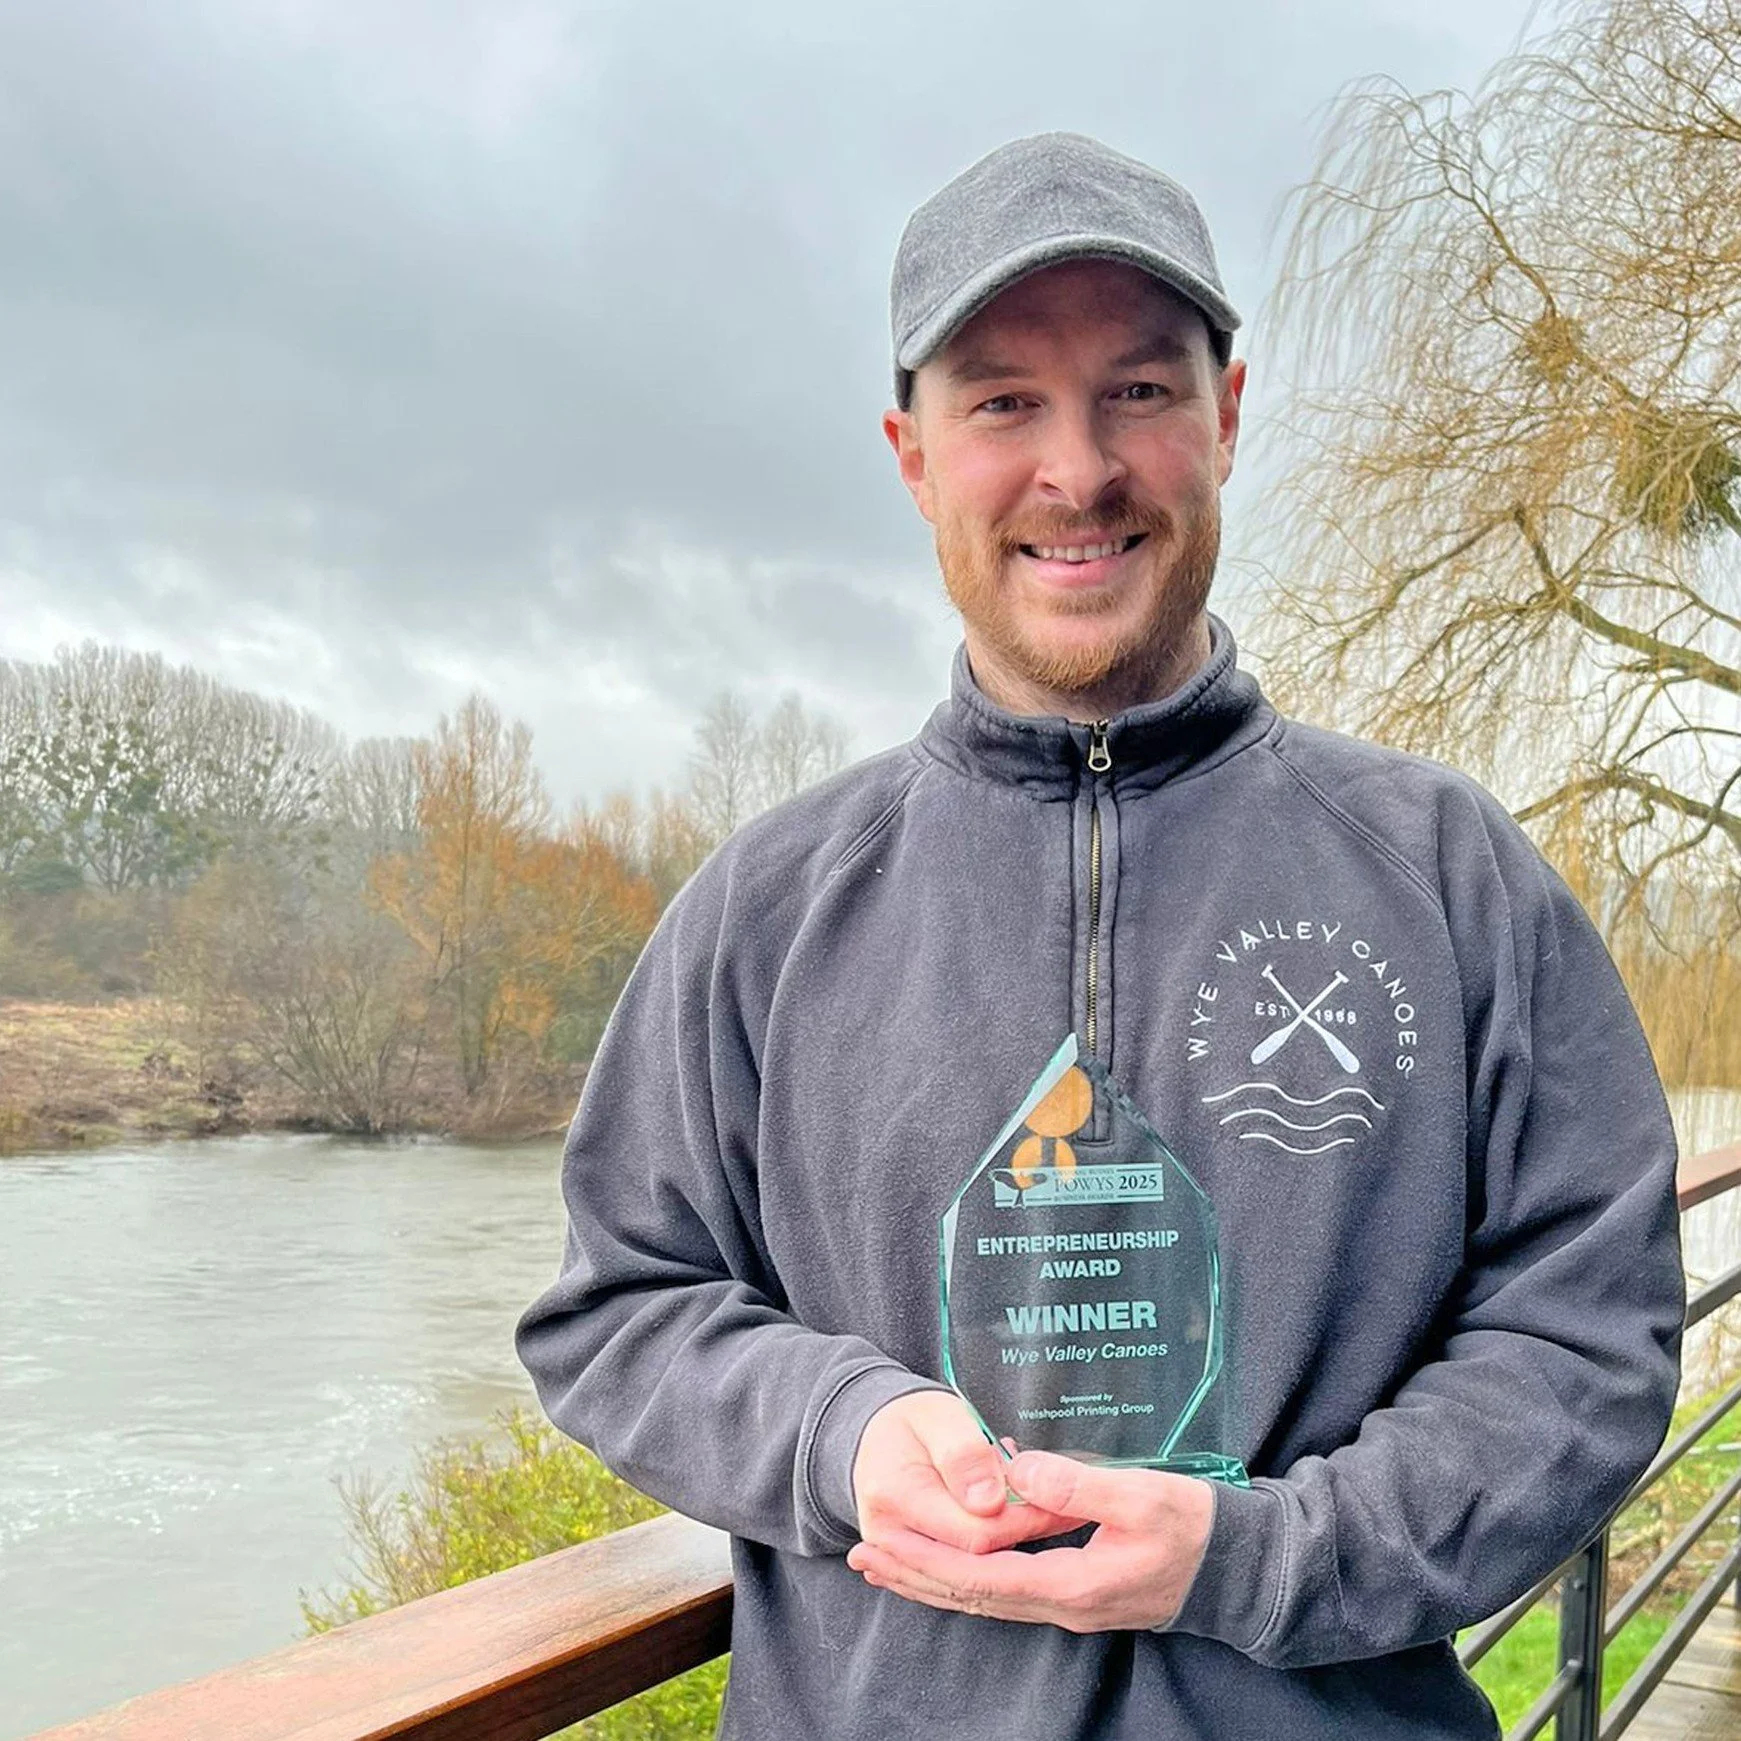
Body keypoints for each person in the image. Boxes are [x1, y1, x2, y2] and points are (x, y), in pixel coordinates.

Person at [517, 132, 1684, 1739]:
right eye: (1004, 403)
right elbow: (616, 1309)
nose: (1076, 472)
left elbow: (1586, 1335)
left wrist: (1270, 1556)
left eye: (1137, 390)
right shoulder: (764, 911)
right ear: (913, 457)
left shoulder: (1447, 872)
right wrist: (839, 1431)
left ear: (1228, 416)